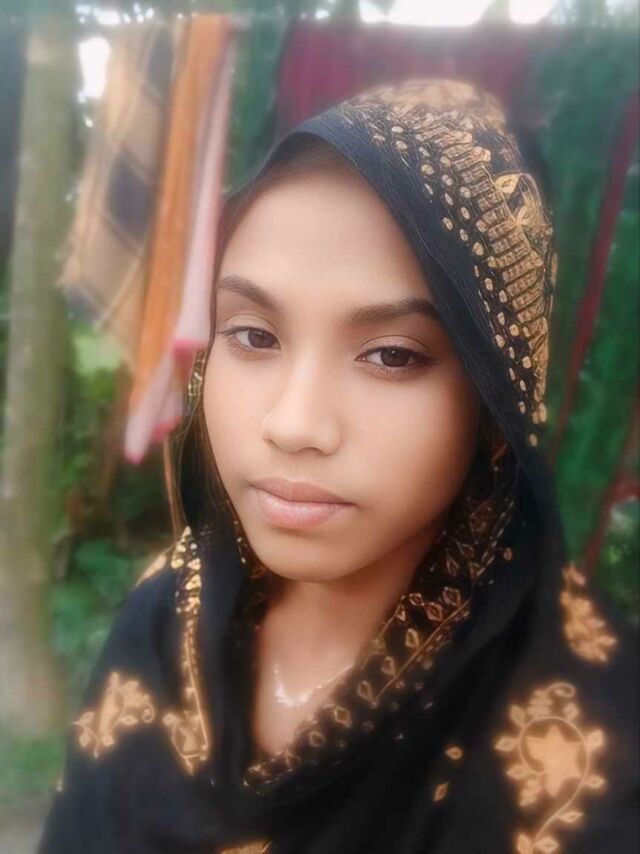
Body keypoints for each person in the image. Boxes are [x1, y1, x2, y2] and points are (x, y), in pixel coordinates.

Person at [39, 78, 638, 854]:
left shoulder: (593, 745)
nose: (294, 425)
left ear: (495, 397)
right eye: (253, 336)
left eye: (392, 355)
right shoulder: (167, 615)